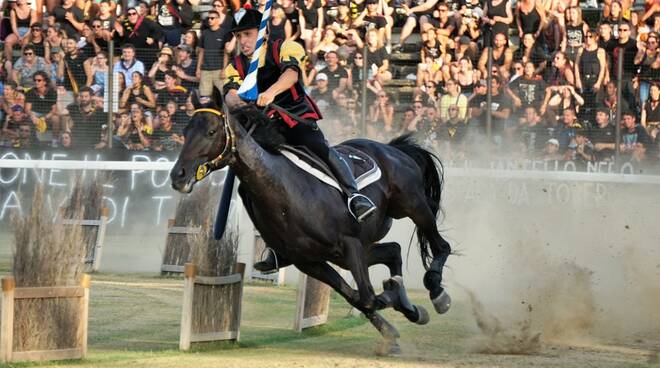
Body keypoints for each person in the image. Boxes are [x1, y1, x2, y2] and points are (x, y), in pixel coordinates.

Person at [223, 6, 376, 222]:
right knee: (247, 182)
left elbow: (291, 75)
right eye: (238, 36)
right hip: (263, 128)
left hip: (294, 118)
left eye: (248, 33)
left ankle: (355, 196)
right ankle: (273, 236)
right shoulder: (235, 66)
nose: (243, 41)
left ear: (263, 31)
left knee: (320, 149)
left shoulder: (284, 47)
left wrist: (270, 93)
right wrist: (241, 104)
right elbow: (230, 94)